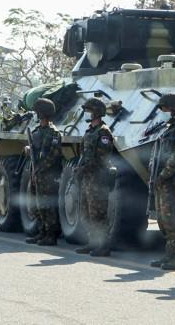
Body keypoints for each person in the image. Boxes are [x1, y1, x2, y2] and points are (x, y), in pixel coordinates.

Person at [148, 93, 175, 270]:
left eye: (164, 109)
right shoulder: (167, 129)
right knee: (163, 218)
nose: (162, 112)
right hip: (162, 180)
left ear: (173, 110)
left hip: (172, 180)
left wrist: (164, 174)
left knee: (173, 218)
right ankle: (170, 254)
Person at [75, 98, 115, 257]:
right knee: (86, 212)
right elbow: (84, 154)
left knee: (98, 214)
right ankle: (93, 242)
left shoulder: (103, 132)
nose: (87, 114)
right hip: (87, 178)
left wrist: (84, 168)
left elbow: (102, 156)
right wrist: (80, 169)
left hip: (98, 178)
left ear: (97, 113)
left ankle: (104, 245)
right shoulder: (89, 131)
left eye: (90, 111)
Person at [24, 98, 63, 246]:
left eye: (37, 112)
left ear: (42, 114)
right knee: (38, 204)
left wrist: (39, 170)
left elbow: (54, 155)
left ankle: (51, 235)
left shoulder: (53, 133)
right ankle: (42, 232)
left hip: (48, 174)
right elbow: (35, 152)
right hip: (37, 173)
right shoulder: (37, 131)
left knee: (48, 205)